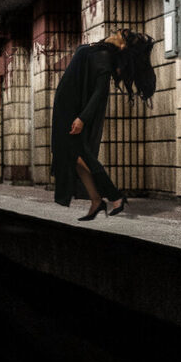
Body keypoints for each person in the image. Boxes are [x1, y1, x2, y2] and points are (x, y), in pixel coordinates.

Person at [51, 29, 156, 220]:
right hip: (65, 108)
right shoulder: (99, 49)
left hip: (73, 111)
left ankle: (114, 197)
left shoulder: (103, 56)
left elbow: (99, 93)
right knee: (76, 156)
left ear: (122, 46)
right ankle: (97, 201)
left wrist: (82, 118)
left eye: (123, 36)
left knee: (78, 154)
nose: (117, 32)